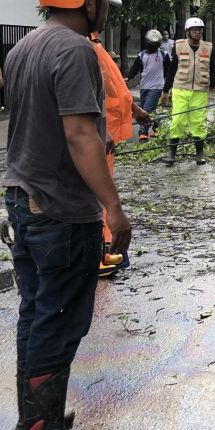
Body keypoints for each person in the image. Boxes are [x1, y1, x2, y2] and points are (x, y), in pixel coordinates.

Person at [2, 0, 131, 430]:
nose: (106, 9)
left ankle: (35, 419)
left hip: (24, 201)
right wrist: (113, 209)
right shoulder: (77, 50)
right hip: (59, 210)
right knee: (58, 317)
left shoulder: (24, 47)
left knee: (36, 313)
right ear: (89, 0)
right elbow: (79, 135)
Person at [90, 28, 150, 278]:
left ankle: (102, 249)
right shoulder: (84, 47)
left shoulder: (95, 44)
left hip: (107, 129)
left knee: (102, 189)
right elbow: (90, 92)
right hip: (98, 133)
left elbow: (113, 87)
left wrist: (134, 109)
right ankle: (98, 254)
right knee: (97, 191)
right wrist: (100, 130)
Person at [163, 16, 215, 166]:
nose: (198, 32)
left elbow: (214, 68)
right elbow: (171, 69)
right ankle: (172, 154)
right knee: (178, 121)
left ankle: (199, 154)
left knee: (198, 123)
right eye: (195, 30)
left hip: (200, 91)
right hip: (180, 89)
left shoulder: (208, 47)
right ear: (188, 32)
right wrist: (165, 90)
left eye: (200, 30)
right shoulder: (178, 46)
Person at [125, 29, 171, 142]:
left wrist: (166, 85)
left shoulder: (163, 55)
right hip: (144, 86)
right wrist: (128, 77)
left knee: (147, 109)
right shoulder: (141, 55)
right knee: (150, 110)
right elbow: (135, 68)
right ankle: (158, 128)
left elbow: (169, 70)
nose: (153, 46)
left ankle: (143, 132)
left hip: (156, 86)